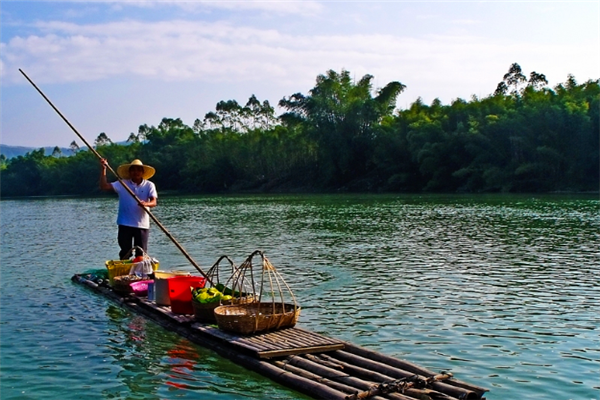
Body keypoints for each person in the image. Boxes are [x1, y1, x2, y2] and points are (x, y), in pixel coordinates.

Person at [100, 158, 158, 259]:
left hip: (142, 224)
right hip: (125, 223)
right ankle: (124, 271)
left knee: (141, 253)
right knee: (125, 252)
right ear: (130, 172)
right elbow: (104, 186)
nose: (136, 172)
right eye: (133, 170)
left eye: (139, 170)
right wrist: (103, 169)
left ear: (142, 172)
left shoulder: (149, 185)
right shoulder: (123, 183)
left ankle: (140, 272)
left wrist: (146, 204)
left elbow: (154, 202)